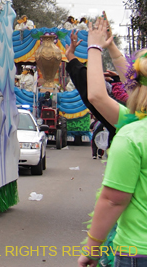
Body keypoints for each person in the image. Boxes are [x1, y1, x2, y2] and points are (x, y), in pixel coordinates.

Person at [77, 20, 147, 267]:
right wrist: (113, 48)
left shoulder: (133, 129)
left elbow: (96, 95)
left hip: (138, 250)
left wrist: (95, 48)